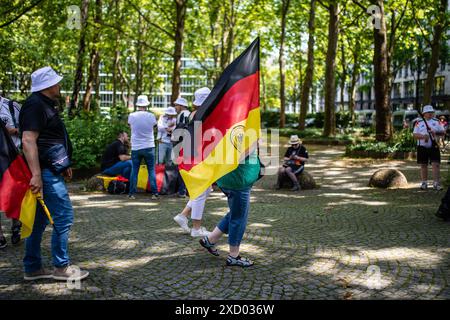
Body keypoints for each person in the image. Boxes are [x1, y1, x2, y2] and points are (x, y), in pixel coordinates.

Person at [19, 66, 89, 281]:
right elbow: (28, 140)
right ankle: (61, 267)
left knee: (39, 221)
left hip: (49, 170)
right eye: (56, 82)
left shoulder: (44, 104)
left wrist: (63, 163)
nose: (59, 84)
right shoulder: (35, 105)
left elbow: (49, 140)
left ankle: (32, 267)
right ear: (47, 86)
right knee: (63, 217)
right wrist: (37, 175)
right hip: (45, 174)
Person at [199, 151, 261, 268]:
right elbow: (241, 154)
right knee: (239, 218)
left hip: (226, 178)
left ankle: (210, 239)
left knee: (235, 211)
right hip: (238, 180)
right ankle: (233, 256)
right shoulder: (248, 133)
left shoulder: (225, 132)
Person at [173, 87, 212, 237]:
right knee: (201, 191)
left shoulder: (193, 114)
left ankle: (183, 216)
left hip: (190, 154)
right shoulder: (202, 115)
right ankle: (196, 229)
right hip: (195, 157)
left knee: (206, 189)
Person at [0, 95, 22, 247]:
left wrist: (10, 130)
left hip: (12, 157)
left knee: (15, 194)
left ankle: (16, 226)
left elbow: (28, 129)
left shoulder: (11, 106)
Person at [128, 95, 159, 200]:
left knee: (134, 170)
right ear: (146, 105)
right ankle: (154, 193)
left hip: (136, 147)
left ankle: (131, 193)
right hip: (149, 146)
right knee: (151, 170)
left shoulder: (132, 115)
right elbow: (154, 127)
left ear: (137, 105)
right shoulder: (151, 116)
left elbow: (130, 126)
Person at [413, 105, 445, 190]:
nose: (430, 114)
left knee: (436, 164)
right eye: (428, 112)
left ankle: (436, 183)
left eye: (431, 112)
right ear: (424, 114)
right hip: (422, 146)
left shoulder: (437, 121)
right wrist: (423, 137)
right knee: (423, 165)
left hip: (434, 145)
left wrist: (435, 132)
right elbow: (415, 135)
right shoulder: (418, 122)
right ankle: (424, 183)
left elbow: (443, 132)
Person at [173, 97, 190, 198]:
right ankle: (184, 190)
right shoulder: (188, 114)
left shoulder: (183, 115)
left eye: (176, 105)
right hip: (186, 144)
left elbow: (182, 130)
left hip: (181, 145)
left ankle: (182, 191)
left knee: (181, 167)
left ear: (181, 106)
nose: (175, 107)